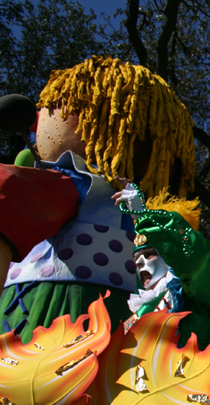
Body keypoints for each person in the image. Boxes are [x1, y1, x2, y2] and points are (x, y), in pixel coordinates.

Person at [0, 57, 195, 341]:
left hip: (61, 315)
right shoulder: (95, 190)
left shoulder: (82, 185)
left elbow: (10, 193)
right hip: (90, 314)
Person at [118, 186, 210, 349]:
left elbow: (196, 259)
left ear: (170, 257)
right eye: (136, 259)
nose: (139, 263)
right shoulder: (142, 310)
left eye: (149, 255)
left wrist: (144, 215)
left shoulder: (195, 295)